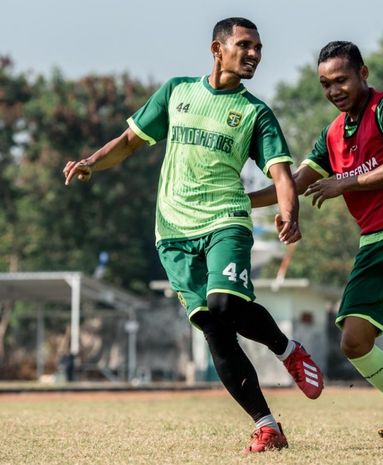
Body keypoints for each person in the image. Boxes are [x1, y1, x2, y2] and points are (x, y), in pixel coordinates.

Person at [62, 17, 324, 454]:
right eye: (245, 45)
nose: (255, 53)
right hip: (173, 233)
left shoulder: (256, 113)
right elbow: (129, 141)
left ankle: (286, 349)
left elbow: (281, 173)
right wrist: (91, 160)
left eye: (259, 47)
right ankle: (267, 425)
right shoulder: (177, 92)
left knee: (224, 303)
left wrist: (288, 211)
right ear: (217, 49)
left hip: (226, 221)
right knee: (213, 328)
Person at [249, 41, 383, 447]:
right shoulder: (332, 134)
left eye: (341, 80)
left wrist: (342, 182)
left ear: (363, 74)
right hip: (374, 239)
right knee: (355, 341)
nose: (334, 91)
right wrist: (240, 200)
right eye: (326, 84)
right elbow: (288, 184)